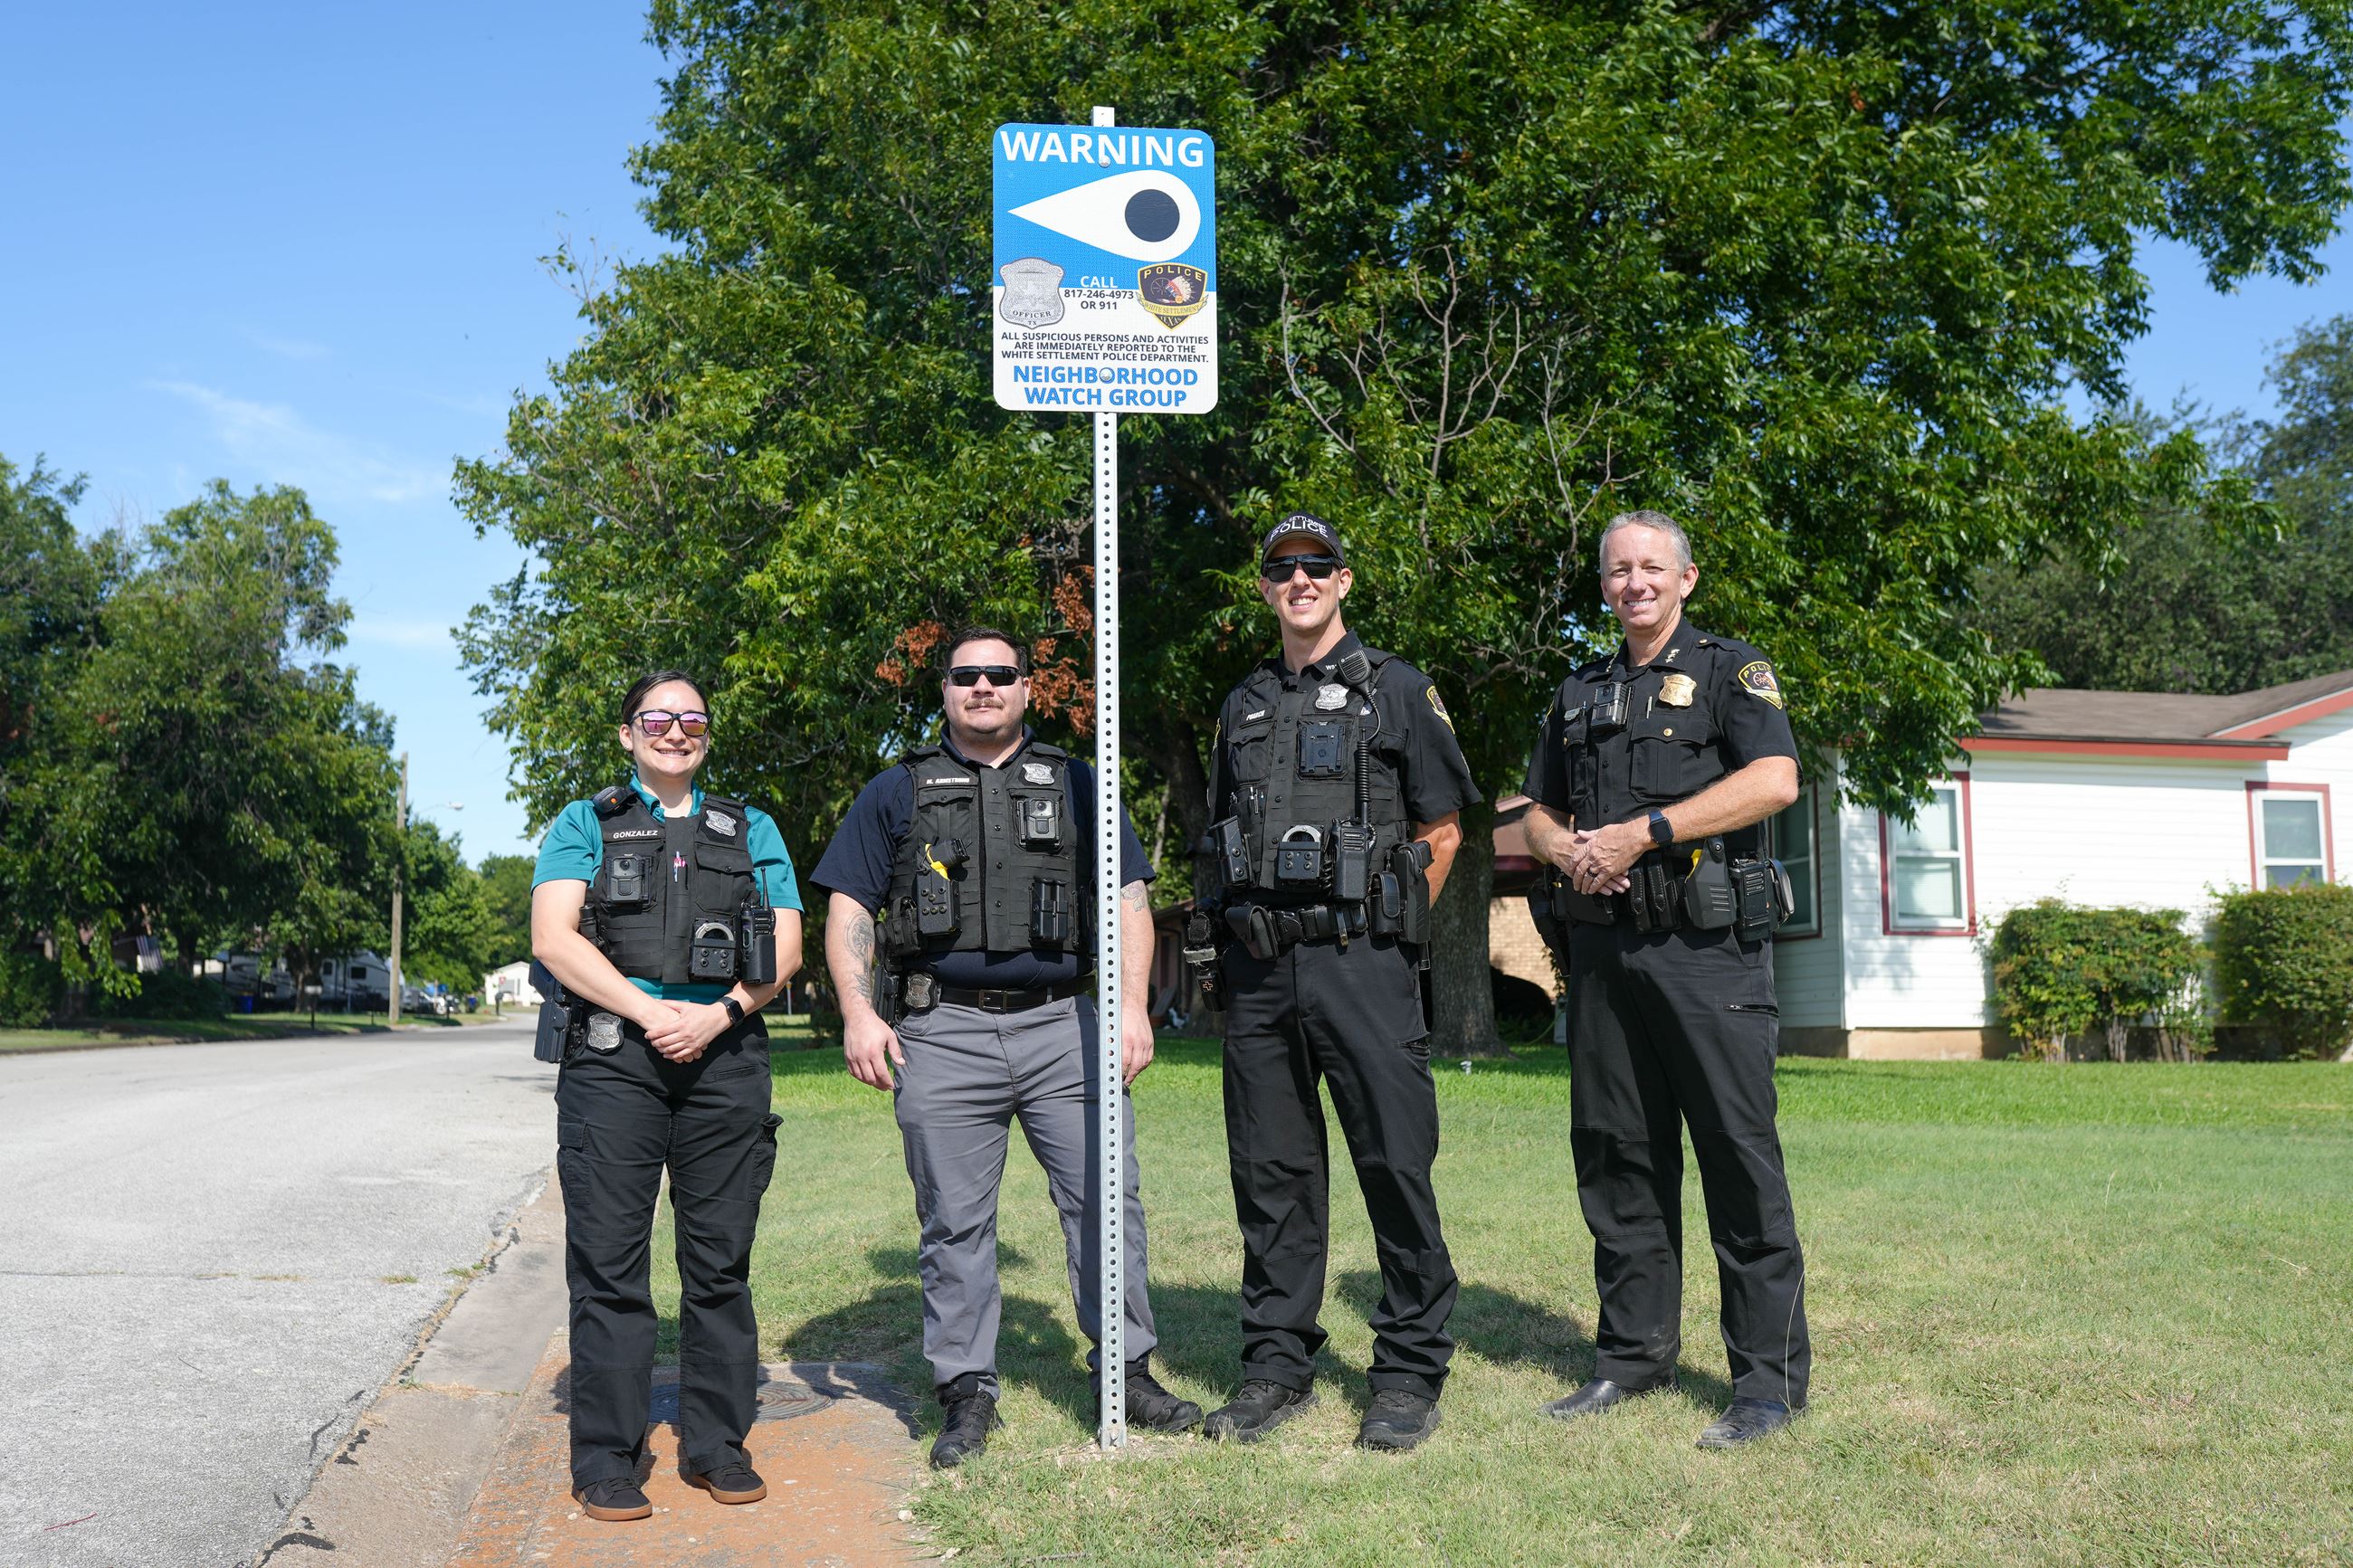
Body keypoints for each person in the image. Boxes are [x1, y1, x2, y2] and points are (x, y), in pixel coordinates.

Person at [810, 627, 1200, 1468]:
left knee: (1107, 1201)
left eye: (1001, 674)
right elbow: (849, 908)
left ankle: (1127, 1372)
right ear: (944, 689)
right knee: (954, 1222)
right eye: (965, 675)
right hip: (940, 1031)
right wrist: (857, 1011)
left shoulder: (1076, 783)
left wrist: (1131, 1009)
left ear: (1028, 687)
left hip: (1065, 1027)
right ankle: (966, 1393)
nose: (983, 686)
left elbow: (1131, 896)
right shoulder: (896, 791)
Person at [1521, 508, 1812, 1449]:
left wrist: (1646, 830)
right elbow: (1533, 808)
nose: (1633, 582)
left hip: (1706, 954)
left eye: (1650, 567)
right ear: (1601, 584)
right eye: (1616, 570)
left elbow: (1772, 780)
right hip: (1604, 955)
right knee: (1617, 1158)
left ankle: (1763, 1384)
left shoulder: (1731, 670)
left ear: (1685, 579)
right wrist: (1561, 846)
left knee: (1736, 1161)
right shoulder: (1578, 689)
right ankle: (1630, 1358)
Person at [1193, 512, 1481, 1451]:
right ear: (1264, 587)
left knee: (1393, 1163)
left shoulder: (1396, 689)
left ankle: (1406, 1369)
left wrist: (1396, 928)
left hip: (1362, 958)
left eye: (1316, 565)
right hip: (1259, 968)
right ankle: (1275, 1367)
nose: (1299, 580)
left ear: (1344, 580)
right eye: (1282, 568)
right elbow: (1214, 841)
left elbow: (1442, 829)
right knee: (1270, 1173)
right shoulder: (1238, 703)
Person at [529, 670, 805, 1520]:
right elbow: (553, 937)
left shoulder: (751, 826)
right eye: (658, 717)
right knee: (610, 1263)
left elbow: (785, 947)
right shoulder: (587, 822)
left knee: (719, 1263)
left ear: (707, 734)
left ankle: (717, 1445)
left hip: (724, 1058)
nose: (675, 730)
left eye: (692, 719)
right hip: (616, 1057)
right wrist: (654, 1011)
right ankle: (608, 1457)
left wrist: (717, 1015)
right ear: (628, 733)